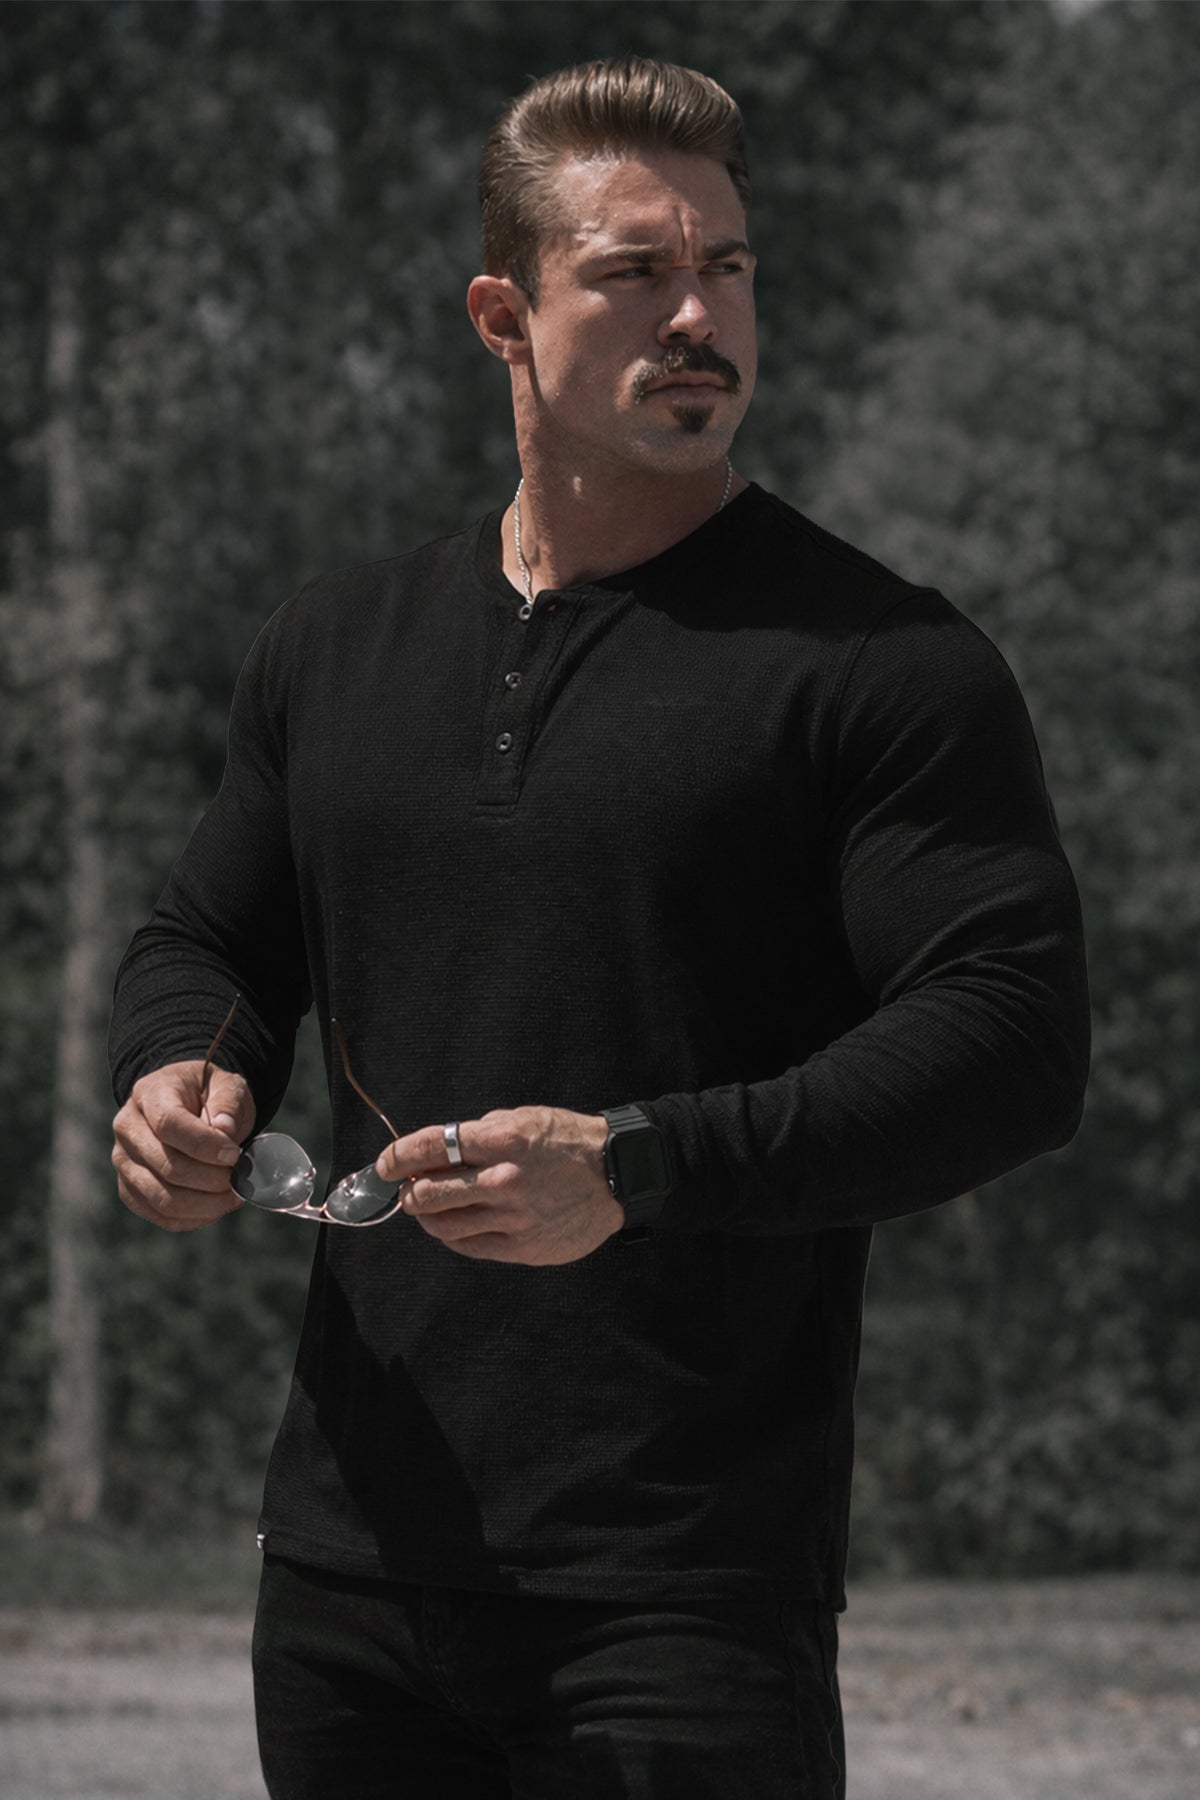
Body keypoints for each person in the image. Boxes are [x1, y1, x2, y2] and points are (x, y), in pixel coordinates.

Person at [109, 55, 1090, 1800]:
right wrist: (183, 1077)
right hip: (347, 1577)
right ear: (503, 314)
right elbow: (211, 939)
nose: (698, 316)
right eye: (635, 272)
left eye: (728, 267)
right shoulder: (336, 643)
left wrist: (636, 1165)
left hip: (684, 1595)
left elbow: (1013, 1042)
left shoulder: (884, 665)